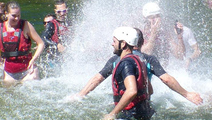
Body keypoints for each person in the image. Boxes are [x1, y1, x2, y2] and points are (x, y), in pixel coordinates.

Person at [75, 28, 203, 107]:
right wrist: (187, 94)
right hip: (143, 105)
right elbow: (167, 79)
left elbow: (97, 79)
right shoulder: (149, 59)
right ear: (142, 43)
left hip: (122, 106)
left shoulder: (116, 59)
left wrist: (79, 95)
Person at [76, 27, 155, 120]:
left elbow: (132, 91)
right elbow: (150, 90)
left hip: (132, 116)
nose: (112, 44)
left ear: (123, 44)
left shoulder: (125, 63)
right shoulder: (139, 60)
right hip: (145, 112)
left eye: (114, 41)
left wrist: (112, 114)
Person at [0, 1, 44, 85]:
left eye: (19, 15)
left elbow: (41, 43)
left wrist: (33, 59)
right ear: (6, 14)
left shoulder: (26, 25)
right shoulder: (0, 28)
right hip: (9, 72)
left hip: (28, 71)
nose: (17, 18)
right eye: (14, 16)